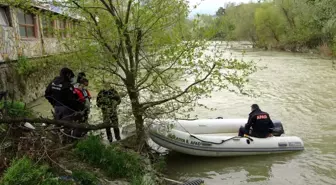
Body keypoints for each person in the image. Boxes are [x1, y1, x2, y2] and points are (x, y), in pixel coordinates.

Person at [45, 68, 85, 142]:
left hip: (57, 108)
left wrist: (54, 103)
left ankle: (57, 141)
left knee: (58, 125)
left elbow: (47, 94)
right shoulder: (67, 85)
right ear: (68, 75)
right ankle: (67, 143)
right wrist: (80, 108)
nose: (71, 78)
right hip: (66, 109)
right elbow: (71, 101)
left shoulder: (54, 81)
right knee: (68, 127)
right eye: (71, 76)